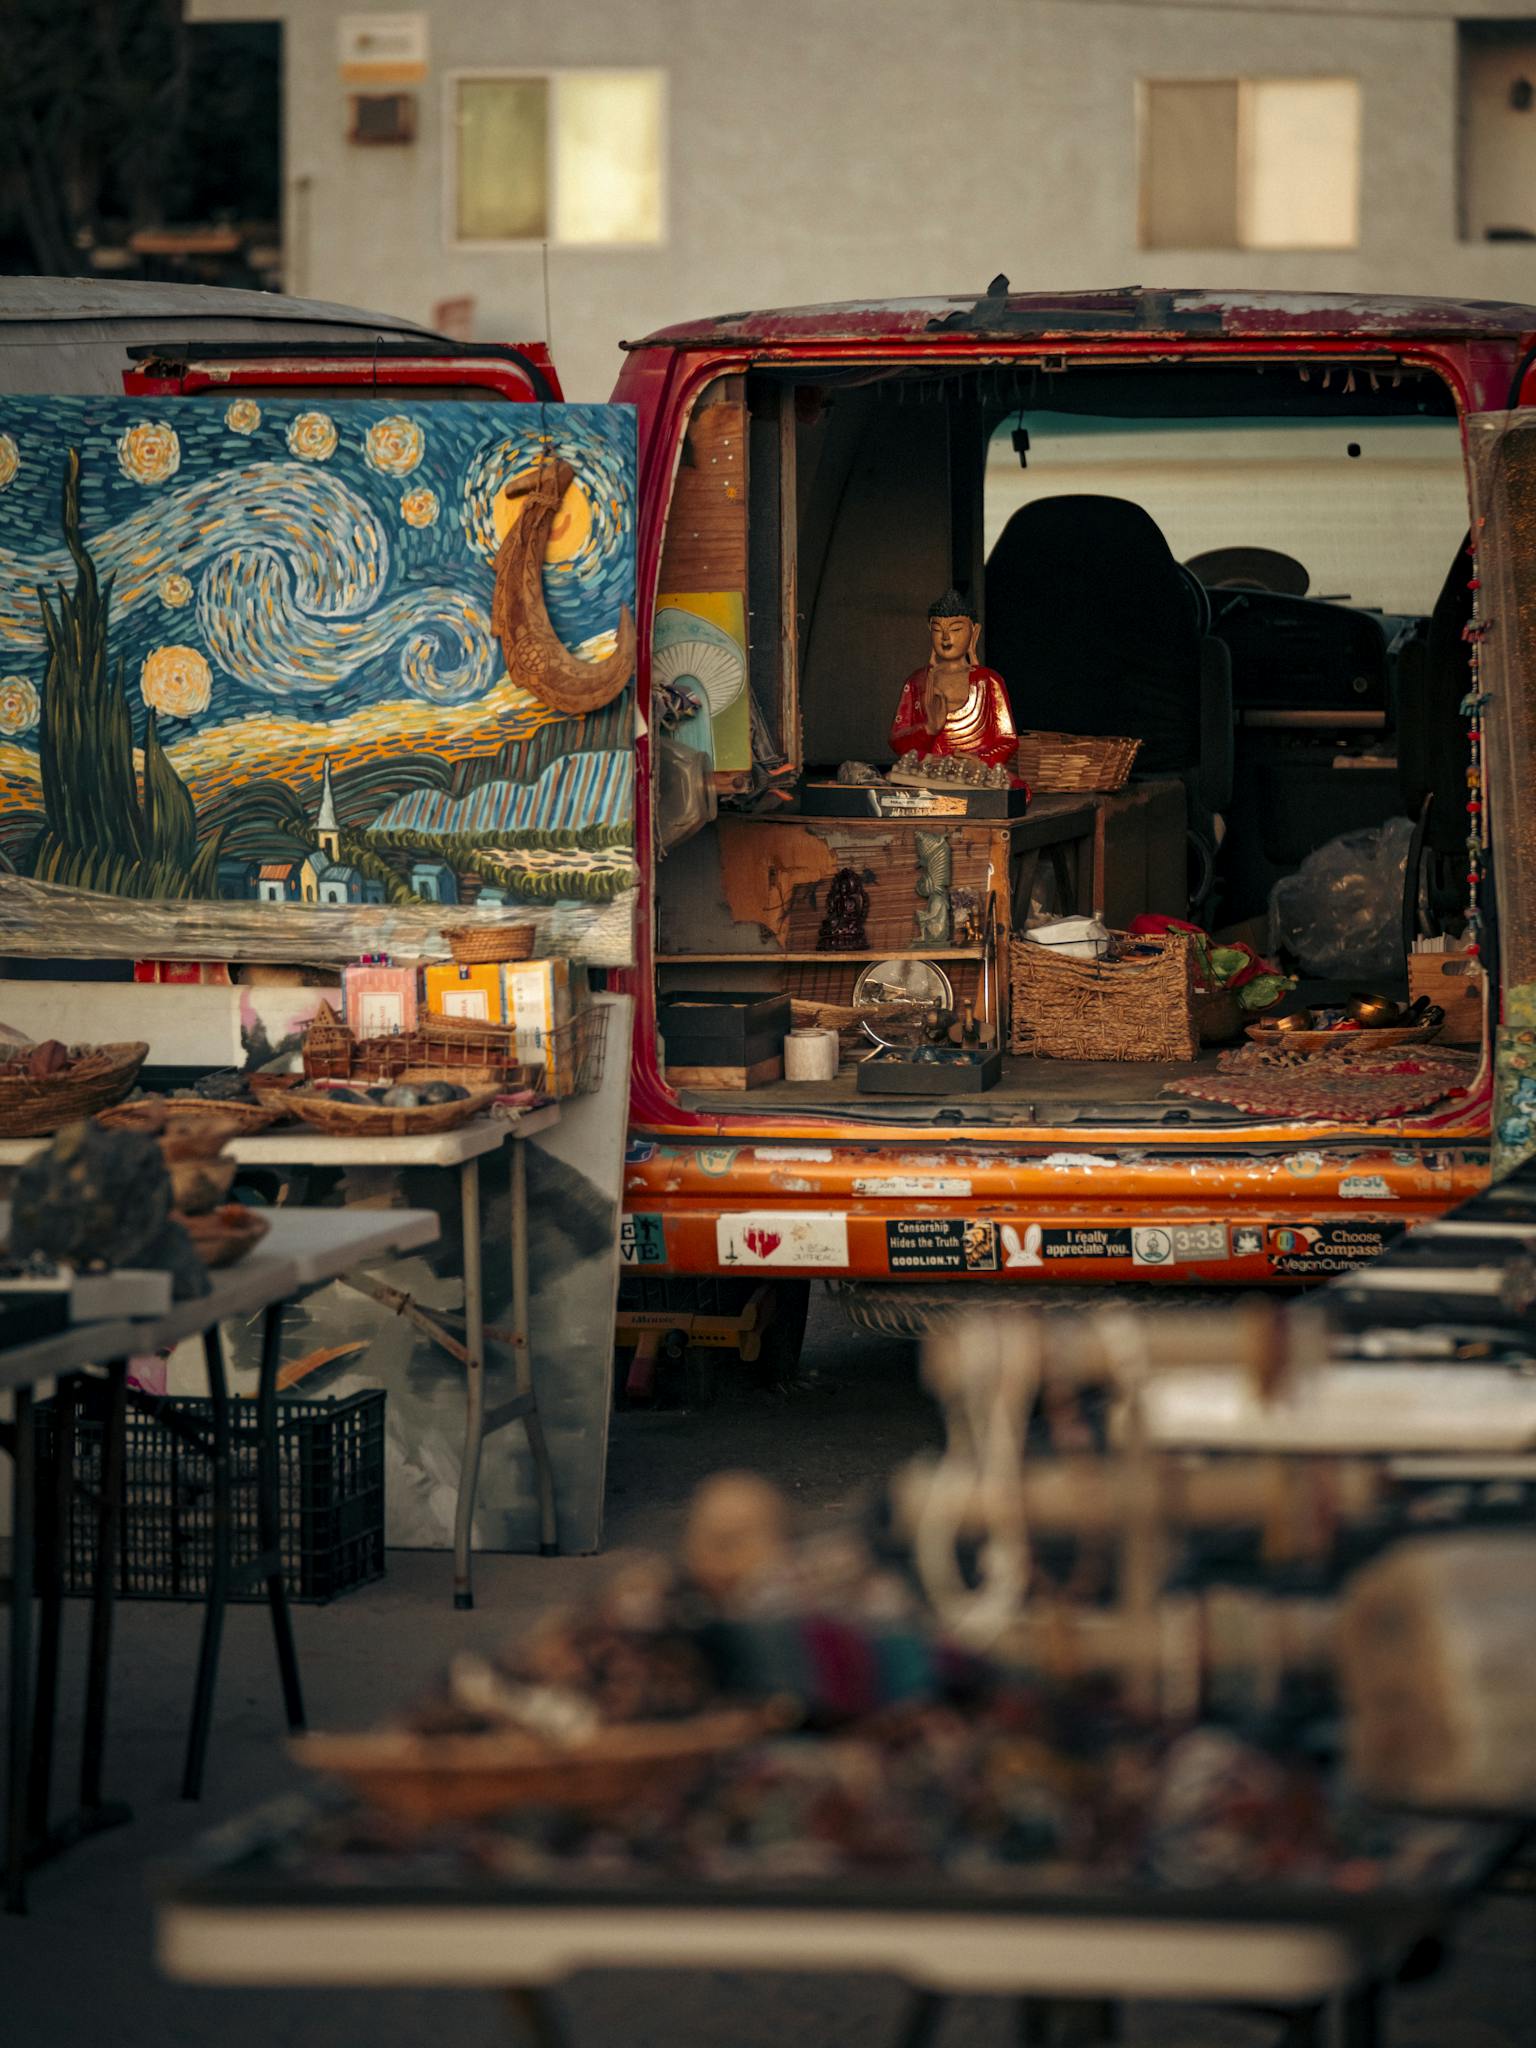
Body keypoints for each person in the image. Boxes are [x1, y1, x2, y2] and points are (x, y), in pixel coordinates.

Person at [890, 589, 1019, 774]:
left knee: (1015, 791)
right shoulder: (916, 681)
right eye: (937, 630)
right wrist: (928, 729)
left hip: (976, 775)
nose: (945, 637)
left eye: (956, 629)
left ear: (974, 632)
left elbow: (1007, 740)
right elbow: (897, 741)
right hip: (928, 773)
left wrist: (980, 762)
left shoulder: (989, 681)